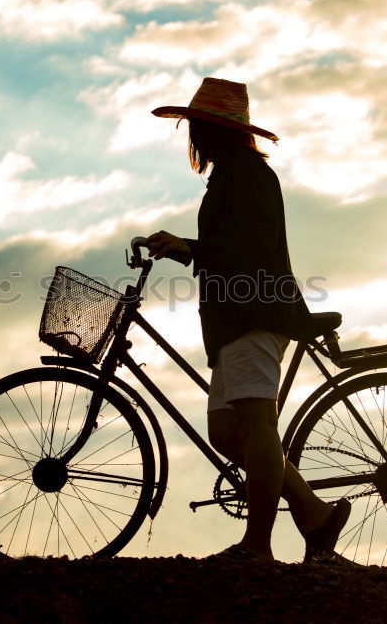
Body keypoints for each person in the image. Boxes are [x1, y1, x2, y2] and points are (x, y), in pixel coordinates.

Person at [144, 77, 350, 563]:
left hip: (254, 312)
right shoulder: (230, 174)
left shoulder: (247, 175)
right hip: (235, 316)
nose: (193, 135)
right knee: (227, 433)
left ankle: (258, 546)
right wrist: (189, 249)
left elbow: (247, 249)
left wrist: (189, 247)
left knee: (257, 426)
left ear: (218, 131)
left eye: (199, 126)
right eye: (194, 126)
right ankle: (314, 515)